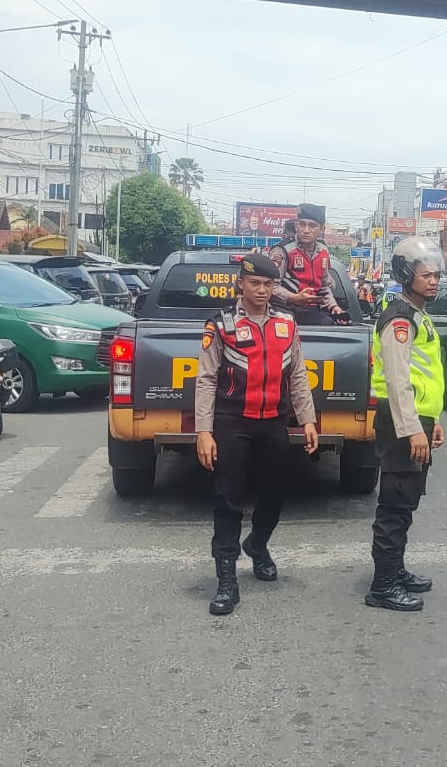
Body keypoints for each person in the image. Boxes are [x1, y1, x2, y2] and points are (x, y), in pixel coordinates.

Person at [195, 253, 321, 616]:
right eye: (255, 283)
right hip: (232, 421)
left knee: (277, 493)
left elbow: (297, 375)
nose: (262, 290)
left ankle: (259, 545)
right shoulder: (221, 325)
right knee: (228, 499)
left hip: (273, 422)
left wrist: (308, 420)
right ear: (241, 283)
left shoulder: (287, 323)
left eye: (268, 284)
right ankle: (226, 580)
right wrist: (204, 431)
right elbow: (205, 380)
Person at [365, 236, 447, 612]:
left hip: (417, 420)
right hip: (401, 422)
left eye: (436, 275)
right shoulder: (399, 319)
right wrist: (413, 428)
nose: (434, 281)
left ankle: (395, 570)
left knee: (407, 501)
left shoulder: (416, 314)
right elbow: (398, 383)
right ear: (405, 275)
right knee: (395, 504)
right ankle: (382, 586)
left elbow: (424, 376)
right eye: (426, 275)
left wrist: (433, 422)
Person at [270, 203, 347, 326]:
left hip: (314, 311)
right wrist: (294, 297)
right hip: (285, 312)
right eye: (302, 224)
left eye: (312, 226)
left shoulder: (323, 251)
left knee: (335, 323)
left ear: (322, 229)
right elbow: (271, 286)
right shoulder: (283, 250)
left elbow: (324, 285)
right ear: (296, 226)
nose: (306, 230)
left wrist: (333, 306)